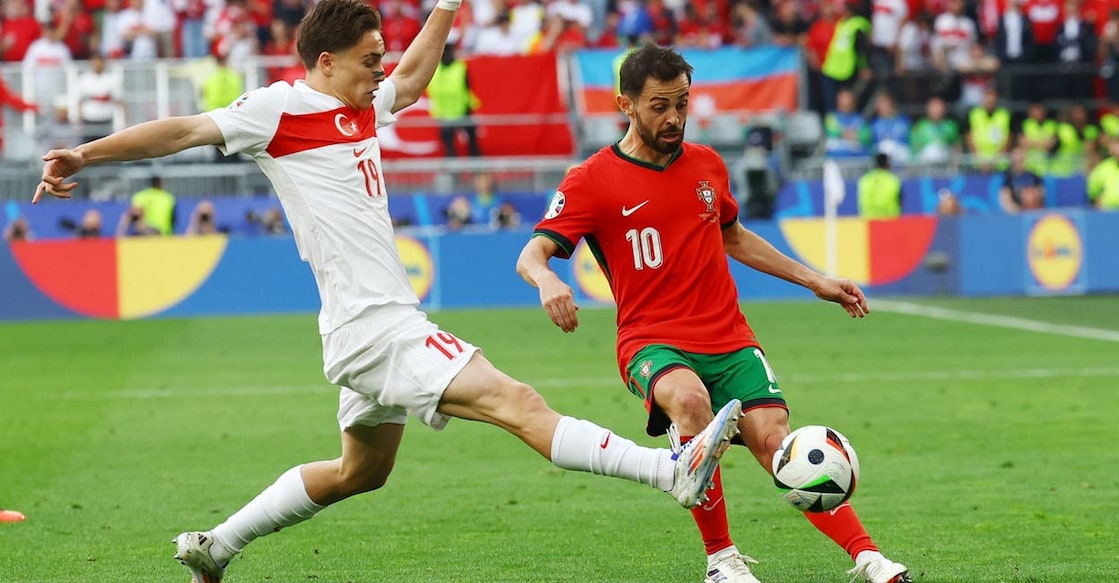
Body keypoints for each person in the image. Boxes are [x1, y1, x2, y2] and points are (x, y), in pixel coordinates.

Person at [33, 3, 743, 582]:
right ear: (325, 62)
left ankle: (216, 545)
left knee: (359, 471)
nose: (380, 71)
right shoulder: (278, 109)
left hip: (365, 326)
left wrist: (446, 8)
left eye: (380, 58)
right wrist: (85, 154)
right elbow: (184, 129)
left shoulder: (364, 106)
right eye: (368, 60)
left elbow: (413, 76)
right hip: (378, 327)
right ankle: (669, 470)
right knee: (518, 402)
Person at [516, 44, 911, 583]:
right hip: (651, 340)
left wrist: (816, 280)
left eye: (681, 103)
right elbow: (531, 254)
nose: (674, 117)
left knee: (778, 445)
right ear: (626, 105)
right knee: (690, 402)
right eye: (659, 105)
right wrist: (547, 280)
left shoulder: (707, 164)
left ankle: (869, 557)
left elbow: (735, 237)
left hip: (728, 337)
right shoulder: (591, 178)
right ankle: (722, 561)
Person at [427, 42, 481, 157]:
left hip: (462, 110)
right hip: (444, 113)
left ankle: (476, 166)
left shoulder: (459, 68)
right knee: (449, 148)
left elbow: (467, 89)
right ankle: (454, 168)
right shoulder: (436, 70)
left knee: (472, 144)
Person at [998, 147, 1045, 213]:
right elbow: (1005, 198)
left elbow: (1041, 193)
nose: (1019, 158)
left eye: (1021, 154)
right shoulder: (1007, 178)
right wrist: (1018, 212)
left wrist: (1031, 195)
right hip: (1017, 213)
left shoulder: (1034, 176)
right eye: (1016, 155)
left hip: (1034, 211)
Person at [858, 152, 903, 219]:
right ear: (887, 164)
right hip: (890, 219)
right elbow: (900, 202)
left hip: (869, 220)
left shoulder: (865, 180)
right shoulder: (893, 180)